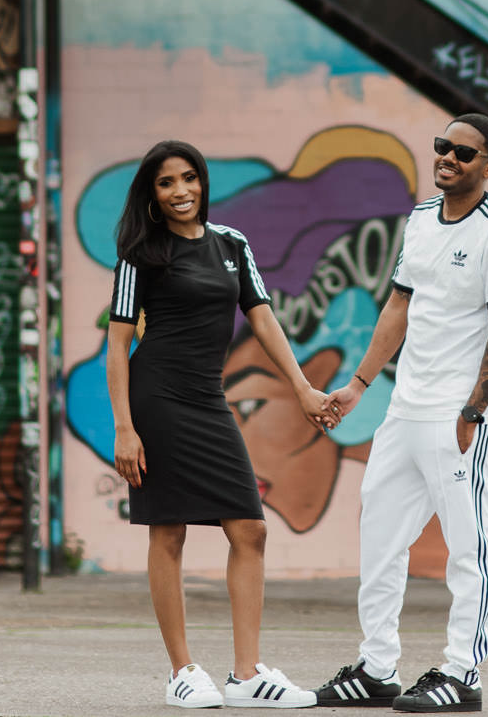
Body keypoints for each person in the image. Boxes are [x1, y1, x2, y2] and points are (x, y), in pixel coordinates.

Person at [107, 139, 331, 709]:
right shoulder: (141, 253)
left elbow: (263, 319)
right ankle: (182, 671)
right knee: (169, 528)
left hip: (209, 398)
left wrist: (302, 388)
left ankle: (248, 675)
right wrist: (124, 428)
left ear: (202, 182)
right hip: (155, 397)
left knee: (249, 530)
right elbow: (115, 346)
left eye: (188, 179)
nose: (180, 191)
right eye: (166, 183)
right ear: (152, 195)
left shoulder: (232, 245)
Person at [314, 113, 488, 713]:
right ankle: (377, 669)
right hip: (404, 409)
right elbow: (399, 306)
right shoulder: (420, 220)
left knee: (468, 546)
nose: (448, 158)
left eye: (464, 152)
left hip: (459, 415)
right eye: (442, 147)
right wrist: (358, 385)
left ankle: (463, 675)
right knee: (379, 537)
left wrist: (474, 411)